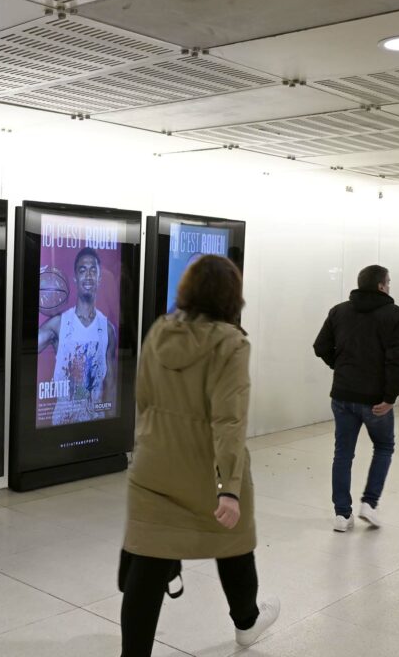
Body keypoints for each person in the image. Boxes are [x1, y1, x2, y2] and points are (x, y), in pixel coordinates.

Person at [120, 255, 278, 656]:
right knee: (233, 541)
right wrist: (229, 487)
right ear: (232, 296)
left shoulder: (158, 330)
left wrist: (145, 449)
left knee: (149, 561)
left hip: (153, 465)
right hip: (205, 470)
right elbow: (229, 419)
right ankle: (246, 622)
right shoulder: (231, 343)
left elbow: (142, 399)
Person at [313, 264, 399, 532]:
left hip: (342, 395)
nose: (389, 286)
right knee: (384, 447)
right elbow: (397, 360)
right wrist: (391, 397)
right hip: (376, 399)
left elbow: (320, 346)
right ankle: (370, 503)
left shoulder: (339, 311)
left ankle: (342, 515)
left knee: (343, 453)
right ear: (380, 286)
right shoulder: (396, 315)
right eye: (388, 282)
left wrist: (339, 365)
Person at [38, 247, 118, 425]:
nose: (88, 275)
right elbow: (23, 348)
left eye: (93, 270)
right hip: (62, 425)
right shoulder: (59, 324)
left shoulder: (107, 329)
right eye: (82, 270)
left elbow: (111, 385)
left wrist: (110, 427)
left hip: (94, 423)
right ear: (75, 278)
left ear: (99, 278)